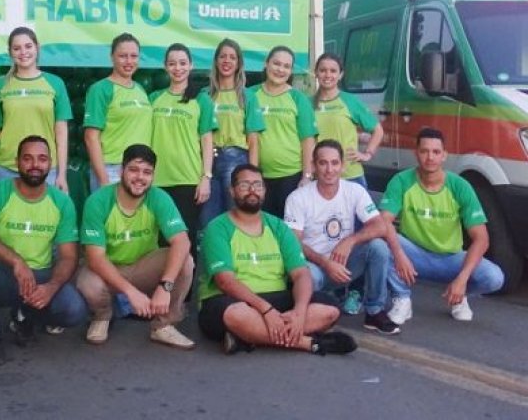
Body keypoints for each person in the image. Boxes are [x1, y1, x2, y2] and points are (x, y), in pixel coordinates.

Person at [198, 163, 357, 356]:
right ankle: (308, 343)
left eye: (257, 185)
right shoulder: (218, 227)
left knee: (330, 308)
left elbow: (300, 273)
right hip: (231, 300)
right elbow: (225, 281)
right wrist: (266, 311)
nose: (252, 191)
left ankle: (247, 337)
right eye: (244, 185)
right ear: (232, 191)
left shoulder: (278, 227)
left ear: (264, 191)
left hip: (275, 296)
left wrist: (298, 312)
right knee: (236, 315)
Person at [0, 135, 88, 365]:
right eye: (28, 159)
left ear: (50, 163)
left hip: (40, 275)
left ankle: (25, 314)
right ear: (17, 162)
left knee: (74, 310)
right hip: (4, 273)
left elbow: (69, 256)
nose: (35, 165)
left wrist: (51, 287)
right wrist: (16, 261)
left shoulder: (61, 202)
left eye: (42, 159)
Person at [77, 144, 195, 349]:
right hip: (108, 268)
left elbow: (182, 241)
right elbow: (95, 258)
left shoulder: (158, 197)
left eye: (147, 172)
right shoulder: (98, 201)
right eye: (133, 170)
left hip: (143, 265)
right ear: (122, 170)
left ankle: (163, 325)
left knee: (186, 260)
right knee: (88, 284)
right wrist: (131, 293)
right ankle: (103, 316)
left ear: (153, 176)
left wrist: (165, 287)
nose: (140, 177)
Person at [382, 128, 504, 325]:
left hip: (451, 259)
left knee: (494, 277)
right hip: (413, 255)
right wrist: (399, 254)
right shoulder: (401, 180)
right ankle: (402, 298)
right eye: (424, 151)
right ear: (416, 153)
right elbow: (384, 221)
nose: (430, 157)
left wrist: (462, 279)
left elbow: (481, 238)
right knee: (378, 243)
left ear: (444, 155)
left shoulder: (460, 186)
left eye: (436, 152)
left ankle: (458, 296)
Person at [284, 140, 400, 335]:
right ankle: (313, 311)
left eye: (335, 163)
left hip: (344, 265)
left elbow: (380, 225)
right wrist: (324, 262)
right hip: (315, 267)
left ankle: (374, 312)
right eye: (323, 163)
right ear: (313, 166)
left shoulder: (354, 191)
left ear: (343, 165)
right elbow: (293, 242)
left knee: (378, 247)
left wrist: (350, 240)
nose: (329, 169)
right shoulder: (298, 197)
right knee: (308, 275)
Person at [149, 43, 216, 260]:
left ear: (191, 65)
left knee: (185, 240)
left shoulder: (201, 99)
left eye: (182, 63)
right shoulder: (153, 98)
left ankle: (186, 294)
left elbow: (207, 140)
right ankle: (160, 291)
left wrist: (206, 177)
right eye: (172, 63)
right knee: (159, 241)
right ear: (165, 67)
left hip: (188, 180)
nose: (177, 68)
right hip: (156, 180)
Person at [0, 27, 72, 191]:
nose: (23, 52)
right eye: (17, 48)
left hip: (45, 169)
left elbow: (61, 132)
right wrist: (8, 139)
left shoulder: (55, 83)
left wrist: (62, 174)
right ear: (10, 52)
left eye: (28, 46)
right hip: (7, 167)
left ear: (37, 47)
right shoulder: (1, 84)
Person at [201, 38, 265, 227]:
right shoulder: (204, 95)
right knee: (208, 220)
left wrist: (253, 176)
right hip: (208, 162)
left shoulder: (247, 97)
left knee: (237, 217)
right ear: (216, 61)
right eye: (222, 56)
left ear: (238, 64)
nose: (227, 61)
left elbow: (253, 141)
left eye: (232, 57)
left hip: (237, 160)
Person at [247, 46, 317, 218]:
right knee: (262, 227)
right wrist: (252, 176)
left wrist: (307, 176)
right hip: (259, 176)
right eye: (276, 64)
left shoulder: (298, 98)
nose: (280, 69)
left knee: (289, 229)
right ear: (266, 63)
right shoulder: (250, 95)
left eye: (286, 66)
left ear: (291, 70)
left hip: (291, 176)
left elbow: (308, 140)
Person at [84, 33, 153, 193]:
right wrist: (103, 179)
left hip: (140, 170)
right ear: (112, 57)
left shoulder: (140, 89)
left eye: (134, 56)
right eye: (123, 56)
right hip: (112, 169)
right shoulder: (100, 89)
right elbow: (90, 137)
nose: (129, 61)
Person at [313, 53, 383, 188]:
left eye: (333, 71)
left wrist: (367, 154)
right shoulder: (308, 102)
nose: (328, 75)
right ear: (316, 73)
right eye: (323, 70)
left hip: (350, 176)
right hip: (320, 175)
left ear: (340, 75)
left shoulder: (350, 100)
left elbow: (378, 130)